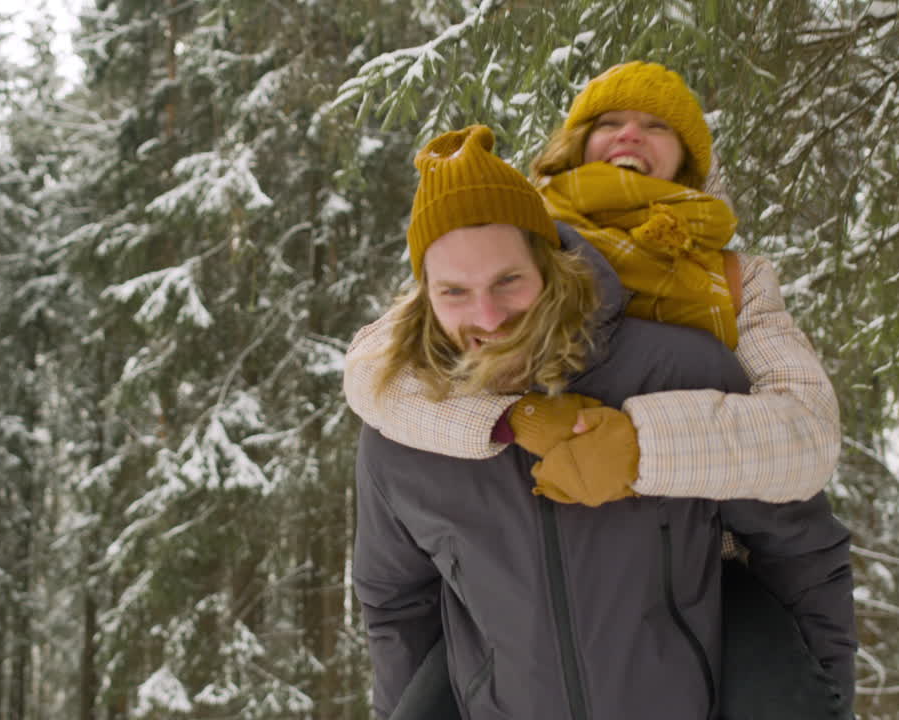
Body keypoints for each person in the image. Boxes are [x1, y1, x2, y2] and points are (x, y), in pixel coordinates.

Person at [352, 123, 856, 719]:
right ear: (425, 297)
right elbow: (395, 604)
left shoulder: (680, 368)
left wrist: (825, 701)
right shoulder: (403, 429)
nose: (487, 315)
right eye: (454, 291)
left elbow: (802, 553)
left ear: (547, 263)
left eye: (508, 280)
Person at [344, 61, 840, 508]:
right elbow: (373, 372)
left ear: (688, 158)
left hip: (691, 546)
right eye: (608, 123)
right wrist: (516, 417)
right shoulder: (524, 242)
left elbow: (809, 431)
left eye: (656, 125)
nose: (629, 134)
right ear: (577, 142)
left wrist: (638, 446)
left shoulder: (736, 279)